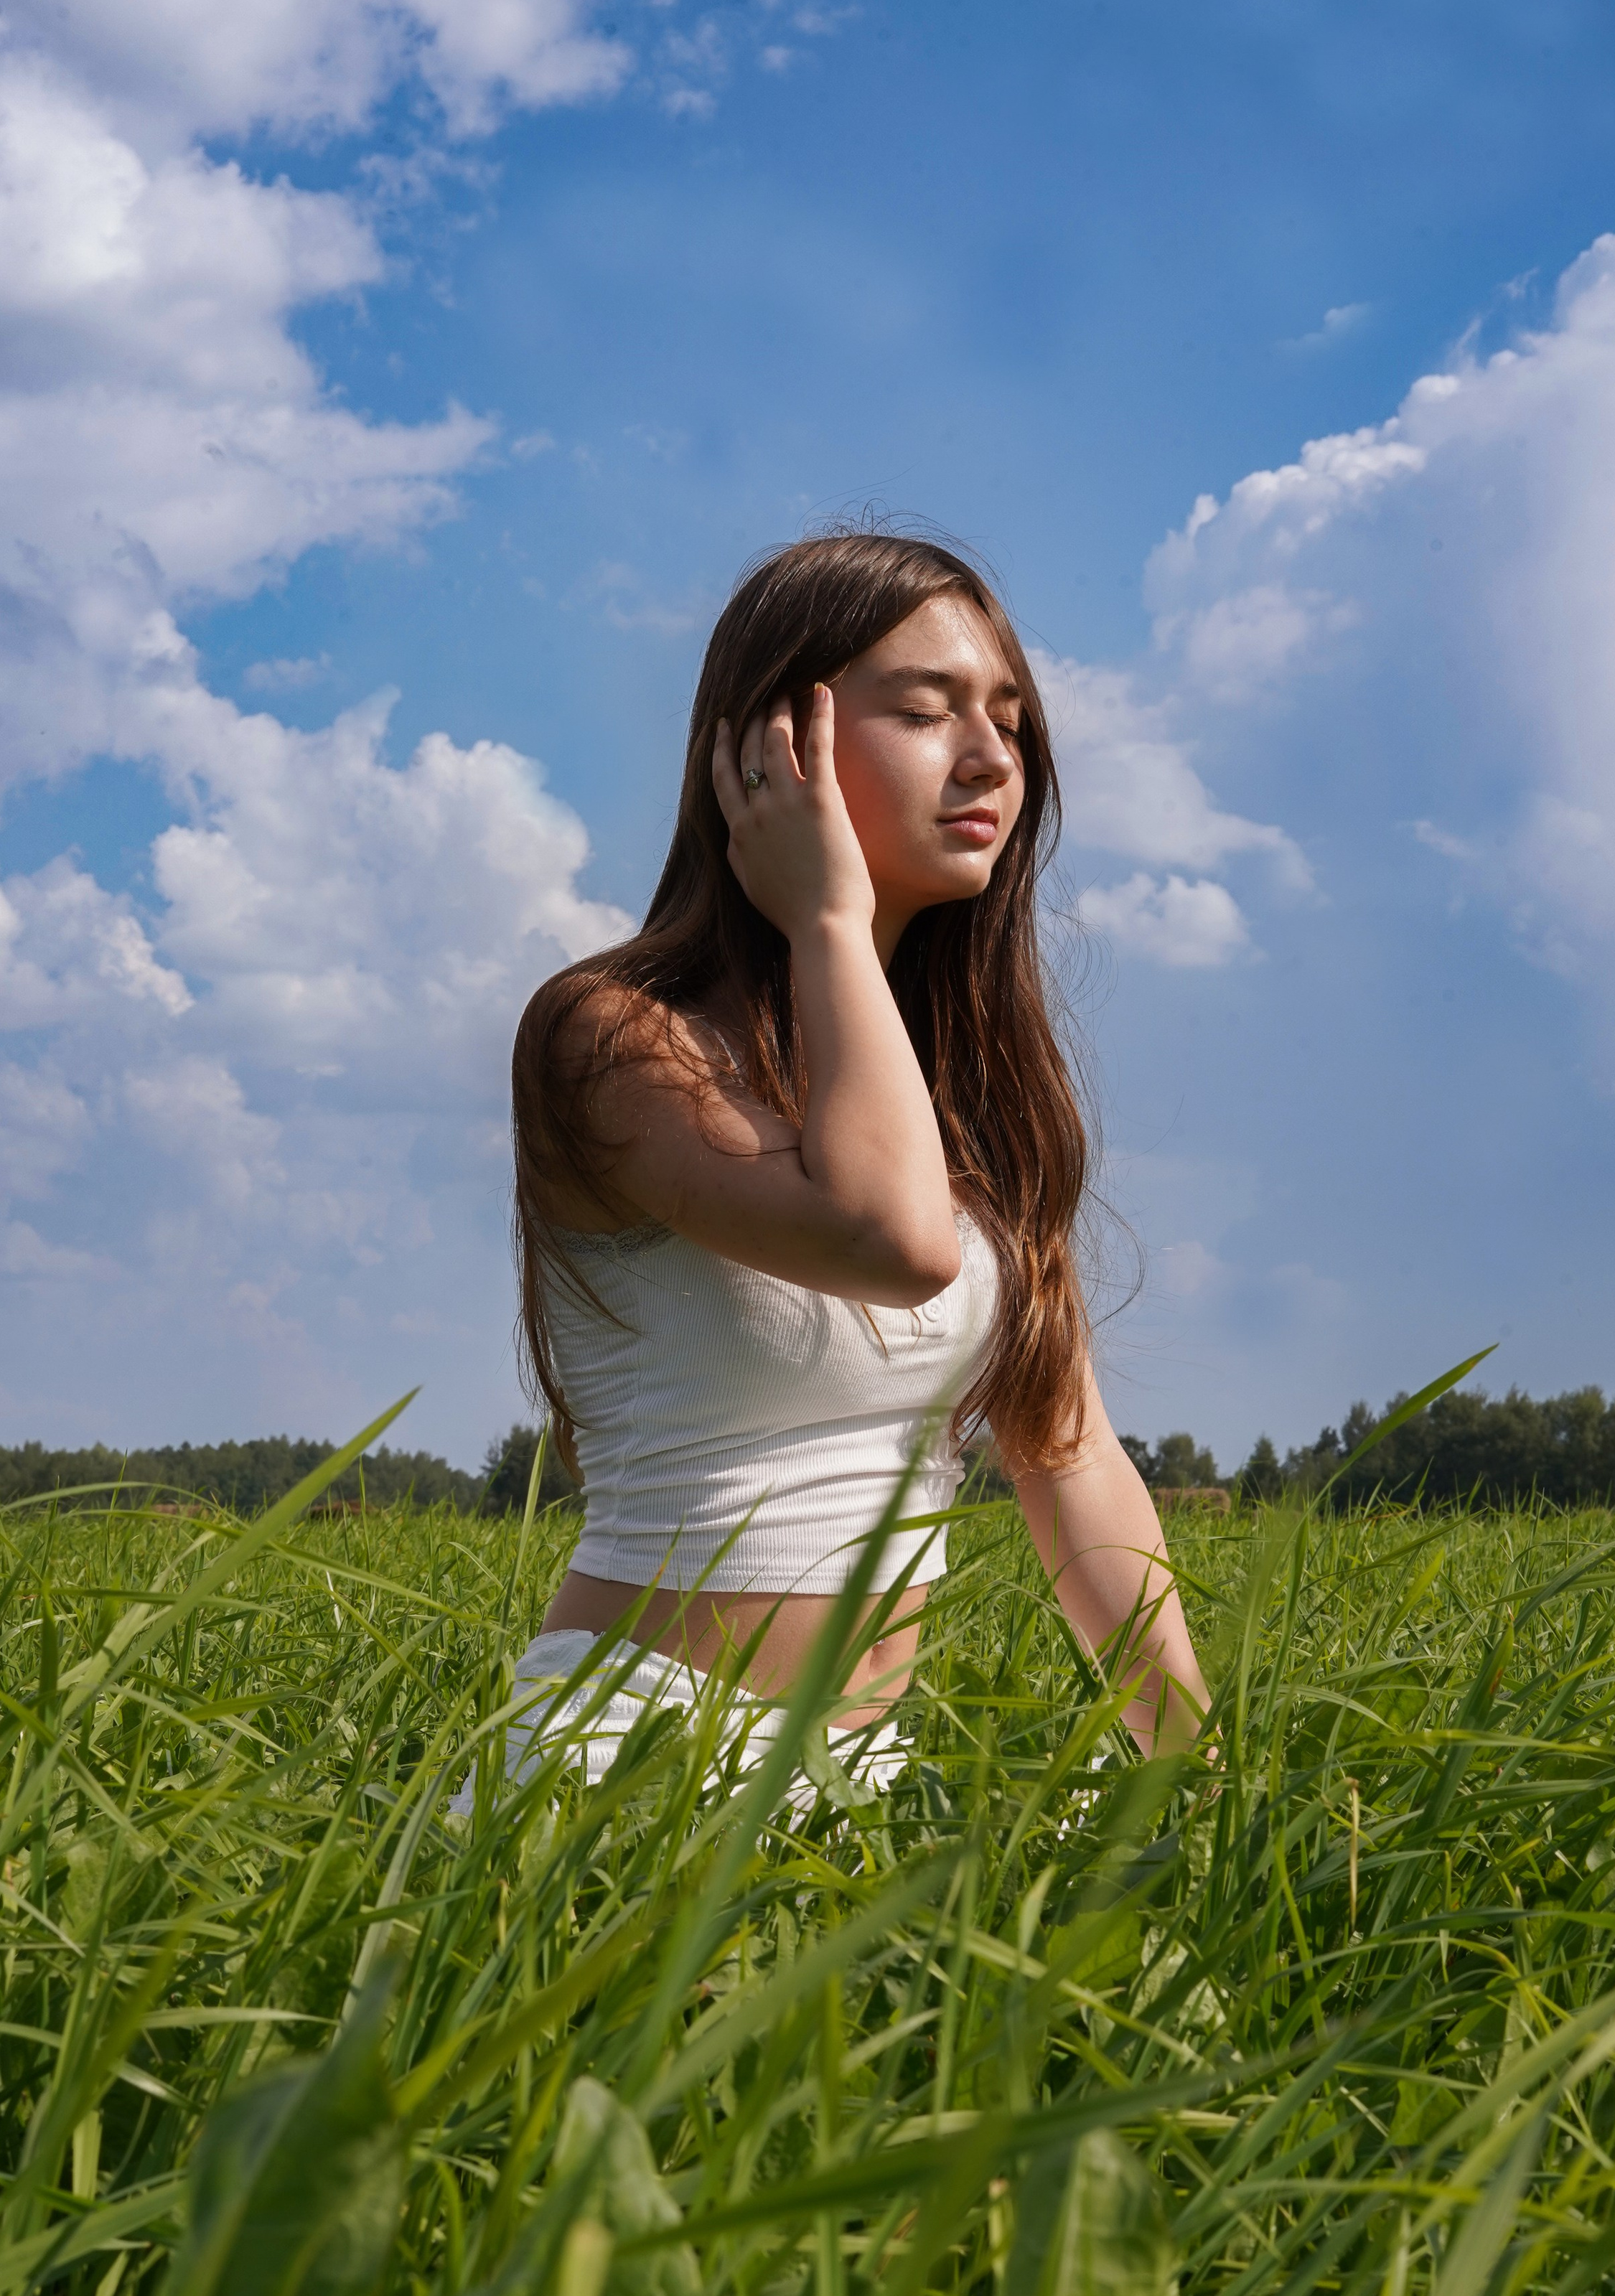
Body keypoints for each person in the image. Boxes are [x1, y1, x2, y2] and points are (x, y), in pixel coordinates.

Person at [493, 528, 1208, 1794]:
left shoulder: (968, 1088)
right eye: (927, 713)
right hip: (639, 1752)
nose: (992, 758)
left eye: (1011, 721)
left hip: (866, 1775)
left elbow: (1070, 1458)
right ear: (768, 751)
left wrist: (1195, 1781)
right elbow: (895, 1243)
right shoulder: (610, 1039)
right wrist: (828, 918)